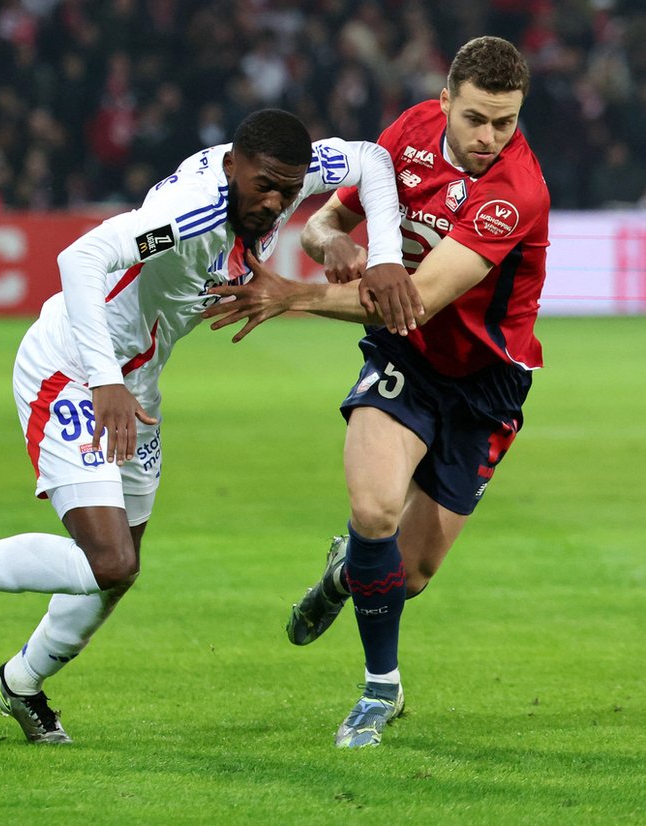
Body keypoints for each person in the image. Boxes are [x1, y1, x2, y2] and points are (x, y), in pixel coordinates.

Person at [0, 109, 407, 744]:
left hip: (138, 384)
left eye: (288, 191)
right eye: (263, 185)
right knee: (109, 559)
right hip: (75, 369)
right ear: (232, 165)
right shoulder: (190, 214)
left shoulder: (290, 175)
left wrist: (385, 257)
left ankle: (20, 683)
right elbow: (82, 259)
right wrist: (105, 382)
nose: (274, 203)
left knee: (120, 570)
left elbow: (373, 158)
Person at [204, 36, 550, 748]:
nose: (488, 138)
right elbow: (326, 224)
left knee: (411, 575)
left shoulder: (513, 193)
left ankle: (343, 574)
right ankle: (379, 689)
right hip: (405, 361)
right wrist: (331, 245)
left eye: (504, 122)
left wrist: (292, 298)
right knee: (372, 509)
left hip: (485, 385)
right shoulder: (408, 134)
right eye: (476, 118)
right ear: (445, 99)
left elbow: (415, 299)